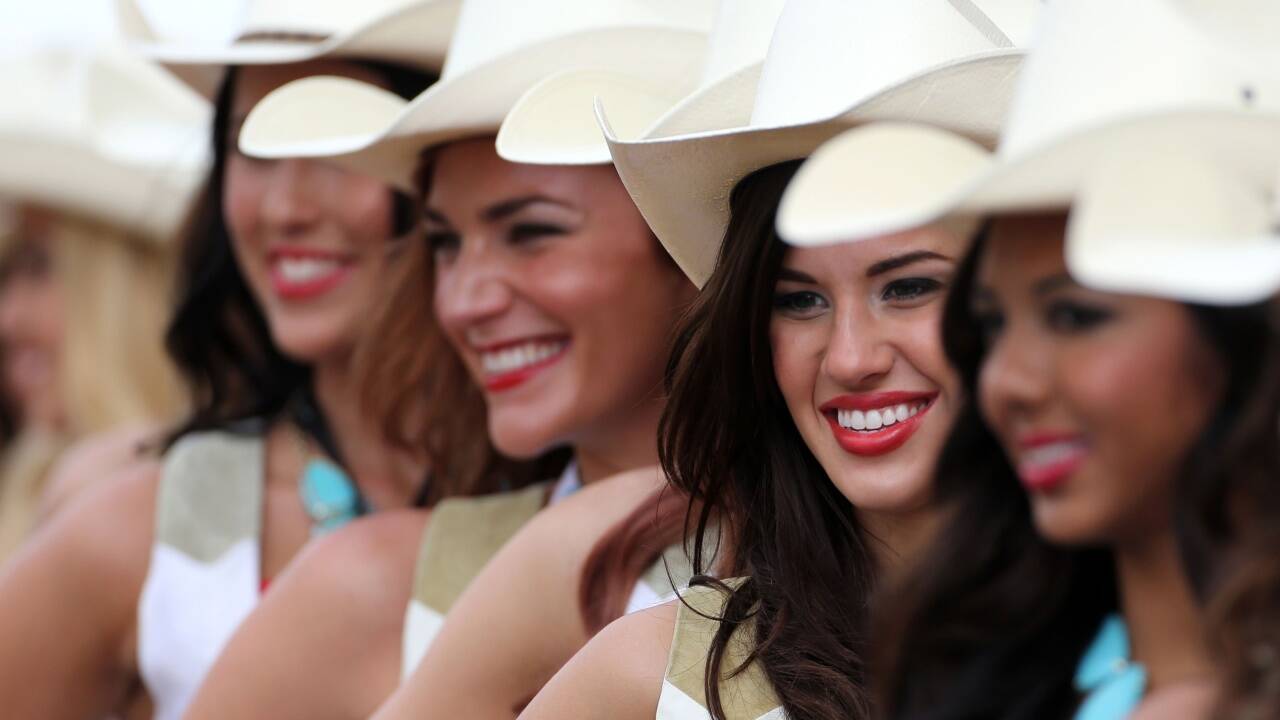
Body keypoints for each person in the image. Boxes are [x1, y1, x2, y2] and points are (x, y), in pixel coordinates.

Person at [178, 1, 716, 718]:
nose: (465, 301)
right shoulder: (371, 592)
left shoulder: (873, 549)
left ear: (697, 237)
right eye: (445, 244)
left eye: (531, 233)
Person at [518, 0, 1037, 717]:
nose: (851, 358)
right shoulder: (644, 685)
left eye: (909, 287)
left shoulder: (1178, 641)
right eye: (799, 301)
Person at [771, 1, 1280, 717]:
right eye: (992, 323)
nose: (1005, 381)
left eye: (1075, 315)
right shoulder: (987, 672)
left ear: (1248, 334)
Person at [0, 2, 472, 717]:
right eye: (251, 146)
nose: (284, 207)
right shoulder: (138, 529)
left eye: (337, 142)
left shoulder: (597, 507)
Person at [0, 49, 202, 562]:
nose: (7, 318)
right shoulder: (33, 488)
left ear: (127, 293)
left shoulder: (202, 511)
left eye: (40, 267)